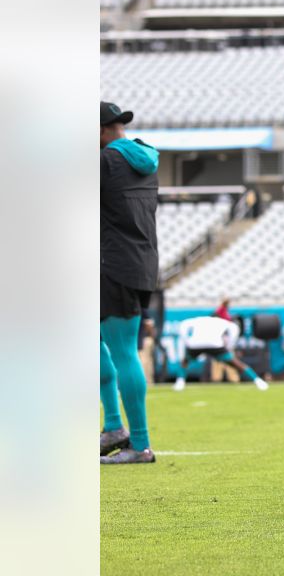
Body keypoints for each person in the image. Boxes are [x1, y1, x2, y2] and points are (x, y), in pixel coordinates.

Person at [100, 101, 160, 464]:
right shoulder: (144, 160)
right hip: (139, 263)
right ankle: (114, 426)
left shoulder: (104, 162)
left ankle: (138, 443)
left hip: (114, 265)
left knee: (123, 351)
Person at [170, 316, 269, 392]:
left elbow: (183, 325)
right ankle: (258, 381)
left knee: (185, 361)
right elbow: (234, 328)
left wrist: (187, 341)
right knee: (235, 363)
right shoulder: (222, 322)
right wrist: (230, 346)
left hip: (196, 344)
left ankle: (180, 382)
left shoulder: (199, 319)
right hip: (215, 344)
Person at [138, 310, 157, 385]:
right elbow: (149, 324)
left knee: (145, 361)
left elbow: (149, 324)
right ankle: (147, 381)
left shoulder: (142, 310)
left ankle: (147, 382)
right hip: (141, 339)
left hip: (143, 339)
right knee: (145, 361)